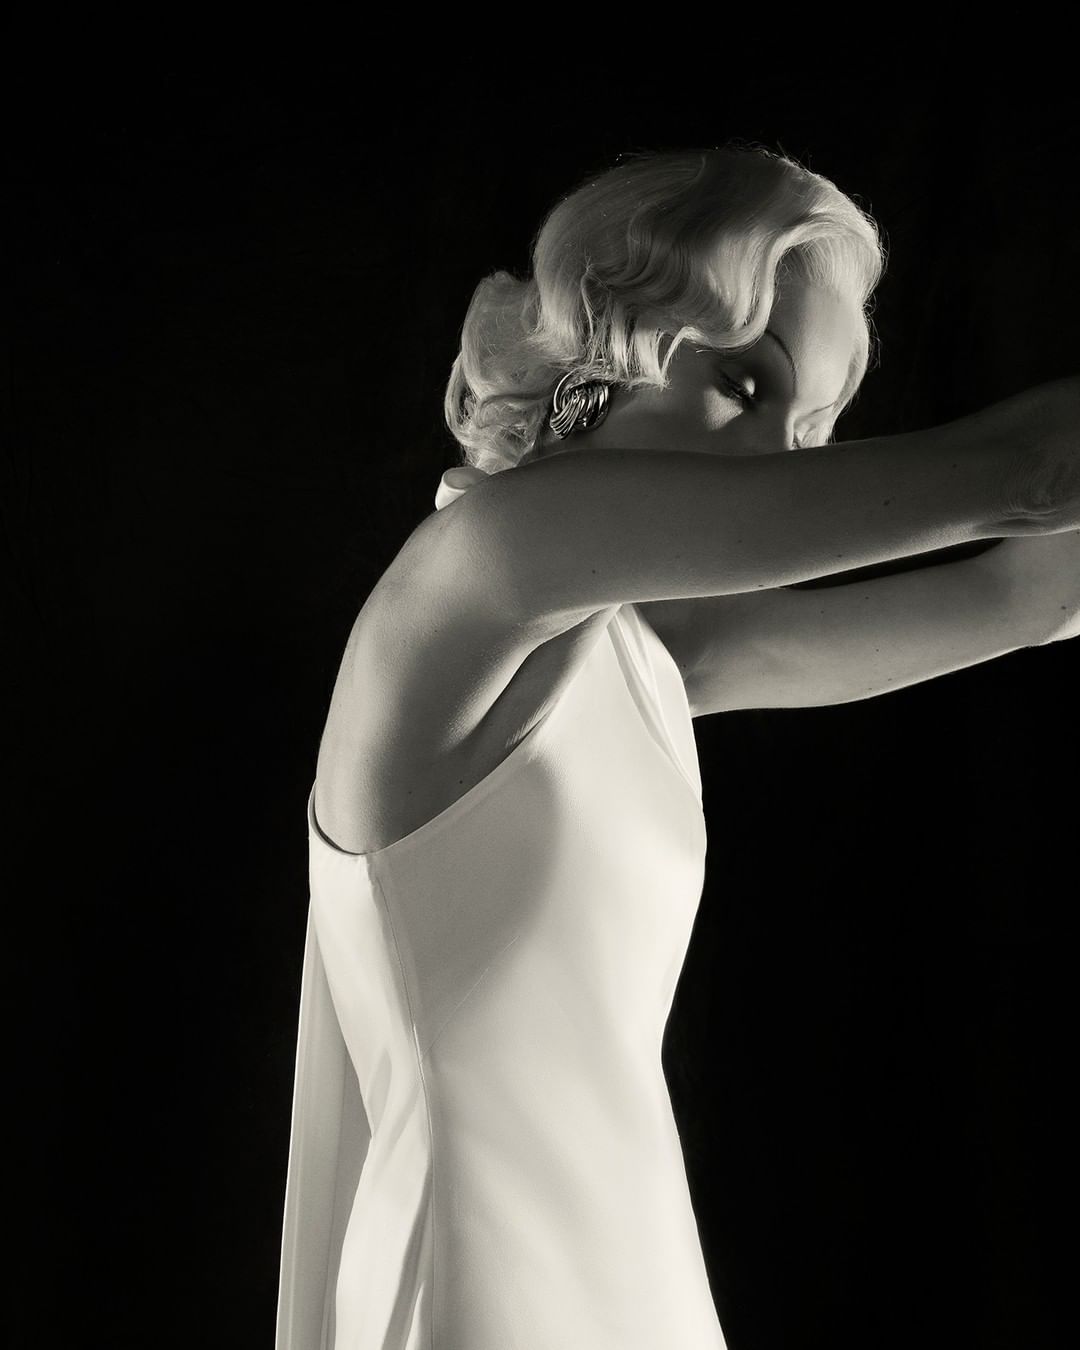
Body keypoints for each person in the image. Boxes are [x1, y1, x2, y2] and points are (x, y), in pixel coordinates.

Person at [276, 145, 1079, 1349]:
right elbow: (1032, 476)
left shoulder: (645, 664)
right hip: (485, 1282)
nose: (775, 469)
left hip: (633, 1272)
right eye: (746, 386)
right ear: (604, 354)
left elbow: (1031, 596)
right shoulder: (483, 563)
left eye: (807, 433)